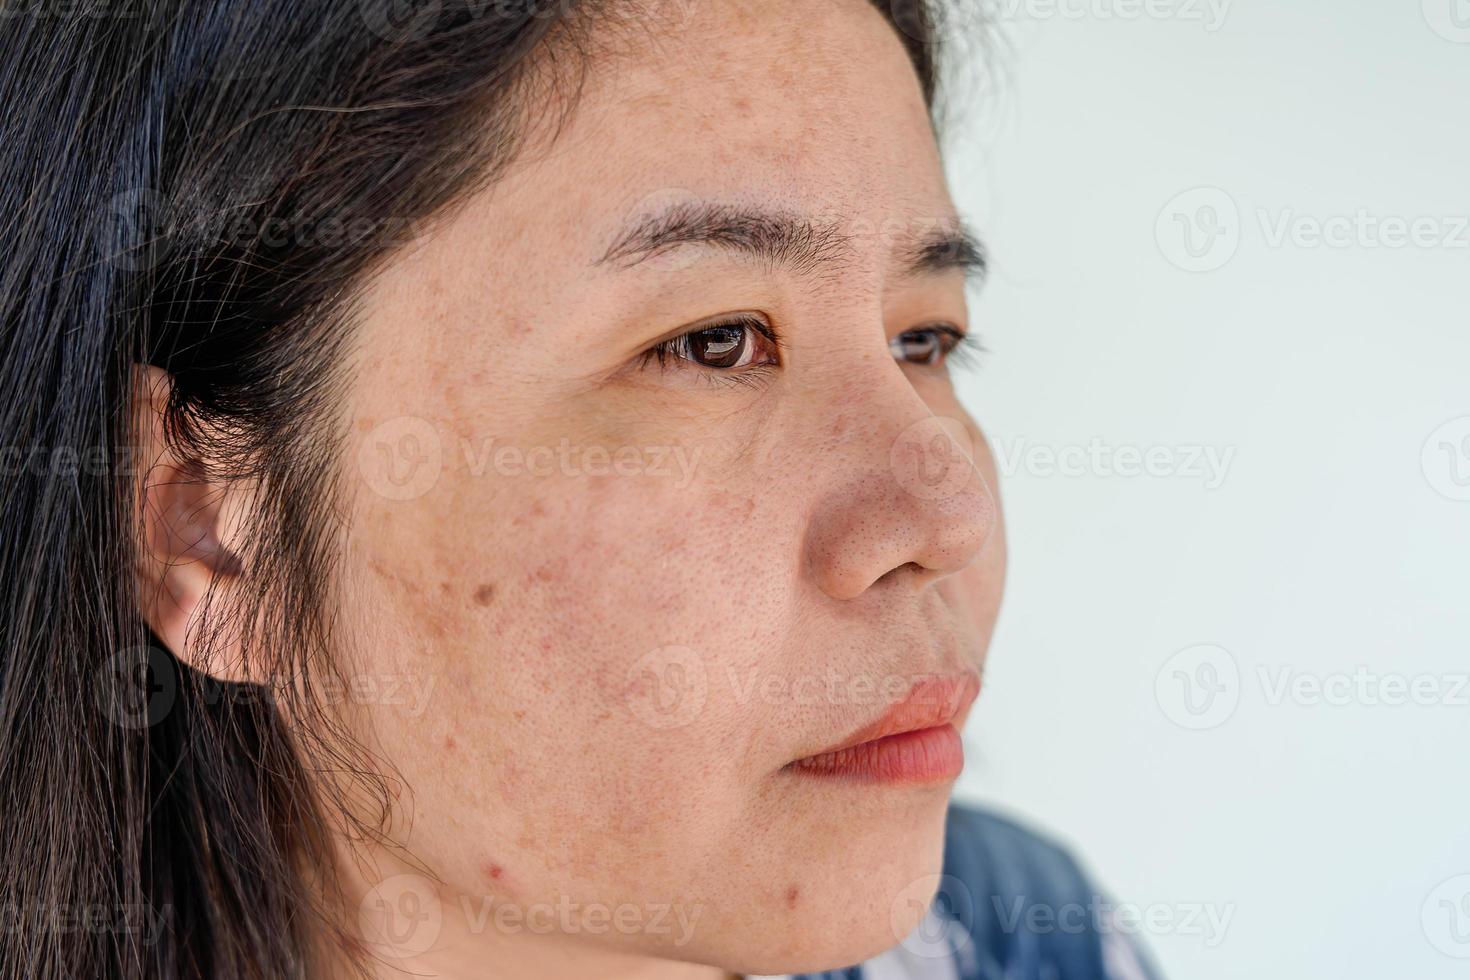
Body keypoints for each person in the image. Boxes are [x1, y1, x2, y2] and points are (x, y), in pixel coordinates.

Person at [0, 1, 1161, 977]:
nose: (948, 518)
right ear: (203, 527)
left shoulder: (1020, 933)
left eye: (925, 339)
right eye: (713, 341)